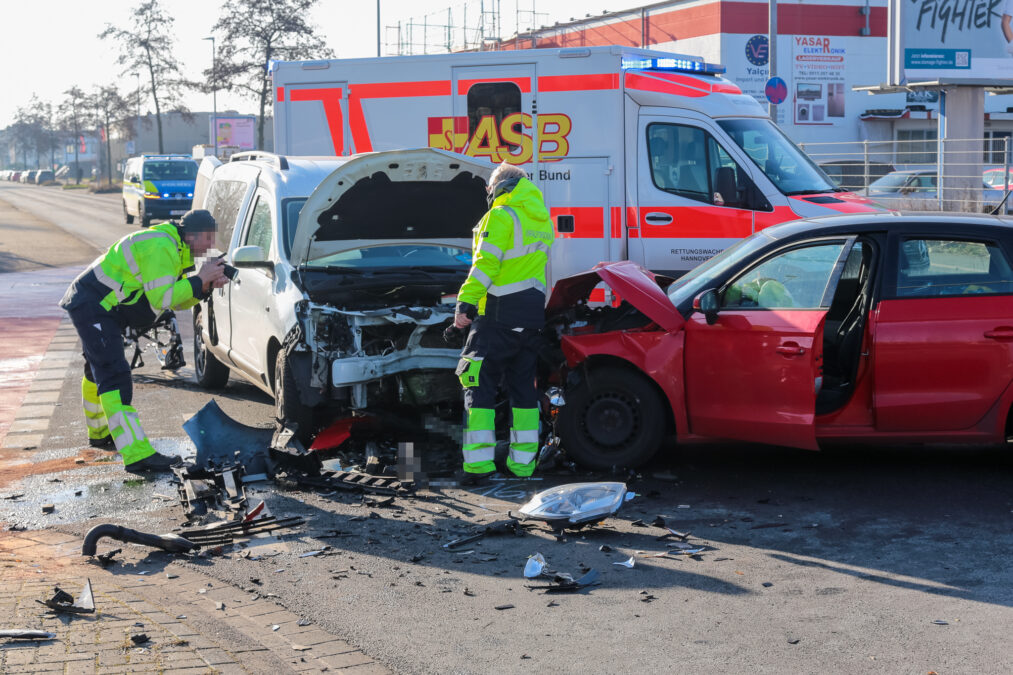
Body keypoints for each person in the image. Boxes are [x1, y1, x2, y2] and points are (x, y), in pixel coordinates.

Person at [59, 209, 230, 473]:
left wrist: (204, 287)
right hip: (94, 304)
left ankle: (100, 433)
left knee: (95, 368)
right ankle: (137, 454)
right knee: (113, 374)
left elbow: (175, 299)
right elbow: (161, 299)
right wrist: (199, 278)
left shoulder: (175, 247)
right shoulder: (162, 246)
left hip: (99, 305)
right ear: (192, 235)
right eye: (208, 239)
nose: (210, 246)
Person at [454, 162, 554, 481]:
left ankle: (479, 466)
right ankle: (522, 465)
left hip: (497, 317)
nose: (488, 193)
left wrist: (465, 305)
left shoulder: (500, 215)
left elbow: (486, 266)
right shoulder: (538, 217)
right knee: (523, 391)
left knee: (475, 382)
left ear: (499, 186)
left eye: (489, 187)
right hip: (531, 318)